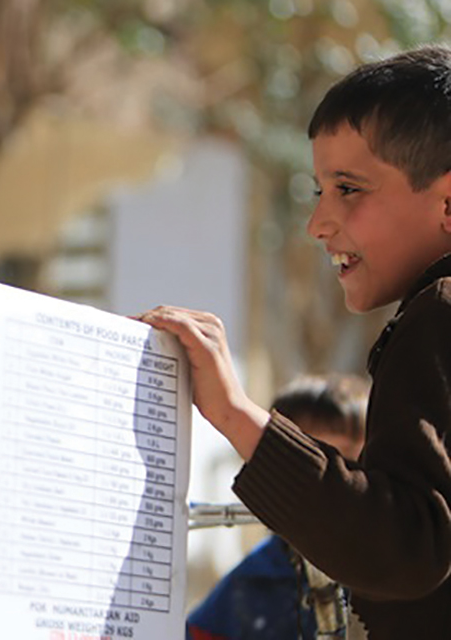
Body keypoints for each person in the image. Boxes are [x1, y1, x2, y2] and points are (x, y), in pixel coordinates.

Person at [141, 44, 451, 639]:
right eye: (319, 191)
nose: (318, 223)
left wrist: (236, 415)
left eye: (349, 189)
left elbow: (408, 546)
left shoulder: (438, 312)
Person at [187, 374, 368, 640]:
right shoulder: (251, 584)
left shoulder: (403, 572)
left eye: (348, 470)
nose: (327, 493)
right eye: (305, 472)